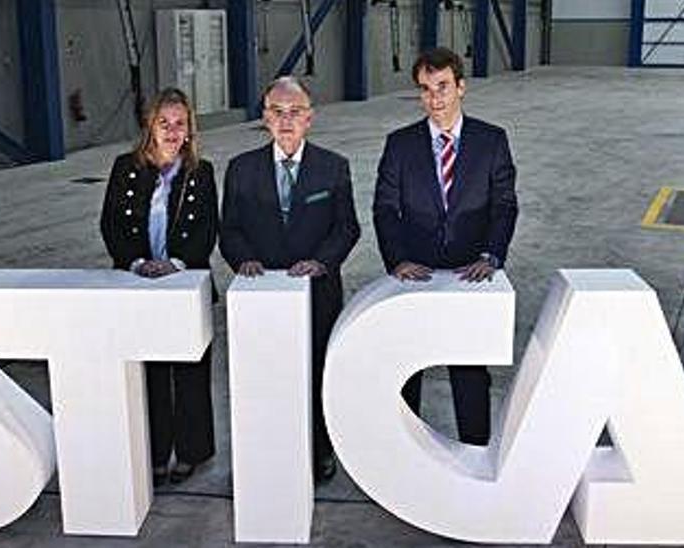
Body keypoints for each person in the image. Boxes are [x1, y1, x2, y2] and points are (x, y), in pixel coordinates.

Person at [372, 47, 518, 446]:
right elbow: (385, 207)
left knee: (469, 369)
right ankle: (407, 449)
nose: (434, 98)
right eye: (425, 89)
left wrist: (491, 254)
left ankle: (475, 449)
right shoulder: (400, 145)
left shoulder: (492, 141)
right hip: (416, 274)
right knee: (408, 368)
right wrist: (398, 260)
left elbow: (504, 205)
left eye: (442, 87)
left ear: (461, 87)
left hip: (469, 272)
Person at [220, 76, 360, 481]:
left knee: (317, 372)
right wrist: (243, 259)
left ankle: (320, 449)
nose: (286, 120)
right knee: (266, 374)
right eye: (277, 112)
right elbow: (229, 229)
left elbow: (347, 228)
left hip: (317, 292)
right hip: (262, 296)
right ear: (264, 118)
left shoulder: (333, 167)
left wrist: (321, 261)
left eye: (295, 112)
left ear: (310, 118)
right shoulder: (241, 170)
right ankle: (271, 452)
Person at [100, 88, 219, 484]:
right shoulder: (125, 167)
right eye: (163, 122)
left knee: (189, 371)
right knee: (147, 371)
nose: (171, 130)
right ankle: (152, 450)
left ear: (190, 128)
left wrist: (175, 263)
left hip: (184, 281)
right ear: (150, 126)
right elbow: (111, 224)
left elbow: (207, 229)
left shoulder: (202, 171)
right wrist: (136, 263)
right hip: (137, 282)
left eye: (179, 123)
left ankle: (190, 451)